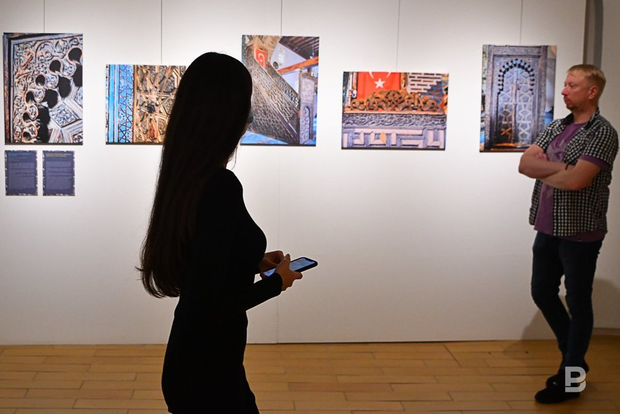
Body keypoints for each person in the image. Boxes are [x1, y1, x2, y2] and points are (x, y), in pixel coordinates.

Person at [138, 52, 303, 413]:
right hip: (208, 373)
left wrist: (253, 260)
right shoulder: (220, 186)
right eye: (246, 104)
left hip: (193, 362)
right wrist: (277, 282)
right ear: (226, 115)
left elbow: (203, 260)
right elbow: (211, 304)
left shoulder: (186, 177)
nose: (249, 116)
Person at [519, 64, 618, 404]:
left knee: (578, 301)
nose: (563, 90)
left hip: (580, 231)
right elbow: (525, 164)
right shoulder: (557, 126)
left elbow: (578, 181)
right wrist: (563, 168)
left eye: (572, 85)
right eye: (564, 84)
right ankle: (573, 357)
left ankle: (571, 378)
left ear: (592, 91)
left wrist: (552, 170)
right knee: (542, 292)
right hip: (547, 225)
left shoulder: (602, 132)